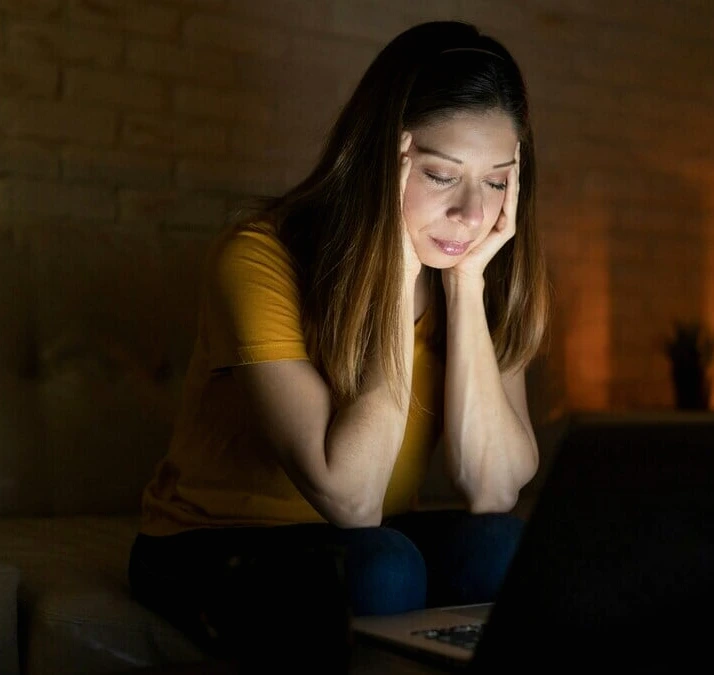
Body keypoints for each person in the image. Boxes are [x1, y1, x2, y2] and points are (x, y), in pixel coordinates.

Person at [127, 19, 549, 672]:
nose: (472, 213)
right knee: (383, 568)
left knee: (507, 547)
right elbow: (351, 499)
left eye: (496, 182)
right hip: (211, 542)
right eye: (441, 175)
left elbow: (492, 490)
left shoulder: (481, 268)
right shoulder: (259, 257)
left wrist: (466, 286)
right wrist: (394, 270)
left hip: (367, 537)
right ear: (382, 161)